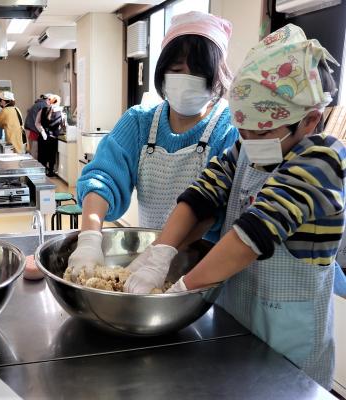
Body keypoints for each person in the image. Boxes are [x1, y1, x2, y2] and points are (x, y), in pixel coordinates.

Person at [123, 24, 343, 389]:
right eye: (244, 130)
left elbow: (253, 235)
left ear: (310, 121)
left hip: (288, 347)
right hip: (234, 329)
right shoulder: (245, 151)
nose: (250, 141)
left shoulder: (322, 160)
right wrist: (160, 251)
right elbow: (201, 197)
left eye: (262, 133)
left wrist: (180, 292)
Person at [68, 11, 238, 276]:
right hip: (146, 255)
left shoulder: (230, 128)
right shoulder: (140, 122)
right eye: (177, 69)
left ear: (218, 76)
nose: (186, 79)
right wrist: (90, 237)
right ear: (162, 71)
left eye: (199, 72)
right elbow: (103, 177)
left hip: (203, 267)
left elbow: (212, 207)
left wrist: (161, 254)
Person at [37, 94, 64, 176]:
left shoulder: (42, 110)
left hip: (43, 137)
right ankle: (51, 172)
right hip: (53, 137)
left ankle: (43, 172)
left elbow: (37, 123)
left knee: (42, 155)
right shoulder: (61, 112)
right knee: (51, 155)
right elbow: (63, 125)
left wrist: (42, 132)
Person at [24, 94, 51, 158]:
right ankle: (35, 165)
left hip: (30, 127)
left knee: (31, 150)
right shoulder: (43, 105)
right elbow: (44, 119)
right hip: (33, 129)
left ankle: (32, 164)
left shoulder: (38, 104)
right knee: (35, 151)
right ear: (48, 99)